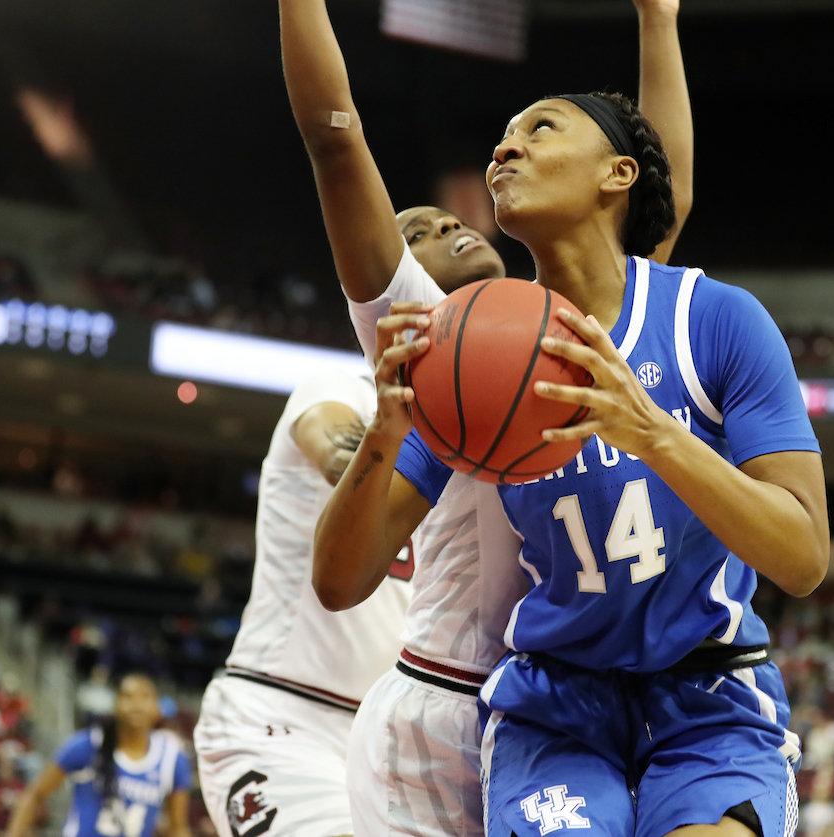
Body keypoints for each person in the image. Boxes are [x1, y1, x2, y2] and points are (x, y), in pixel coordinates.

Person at [318, 89, 828, 837]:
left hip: (710, 692)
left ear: (617, 173)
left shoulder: (713, 319)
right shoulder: (473, 346)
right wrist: (386, 430)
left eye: (540, 128)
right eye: (502, 136)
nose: (505, 149)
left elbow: (804, 556)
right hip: (556, 706)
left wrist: (654, 434)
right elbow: (339, 580)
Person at [280, 0, 693, 835]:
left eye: (449, 218)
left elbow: (659, 201)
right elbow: (335, 140)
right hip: (444, 703)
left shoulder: (565, 330)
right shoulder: (421, 326)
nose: (446, 225)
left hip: (558, 712)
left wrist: (659, 20)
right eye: (421, 231)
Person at [193, 369, 413, 837]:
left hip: (395, 739)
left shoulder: (481, 455)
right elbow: (338, 457)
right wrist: (395, 438)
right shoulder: (341, 391)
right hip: (282, 715)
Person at [6, 672, 191, 837]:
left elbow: (178, 827)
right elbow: (35, 794)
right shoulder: (88, 745)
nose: (136, 704)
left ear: (157, 708)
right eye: (128, 696)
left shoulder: (172, 759)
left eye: (145, 697)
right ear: (115, 704)